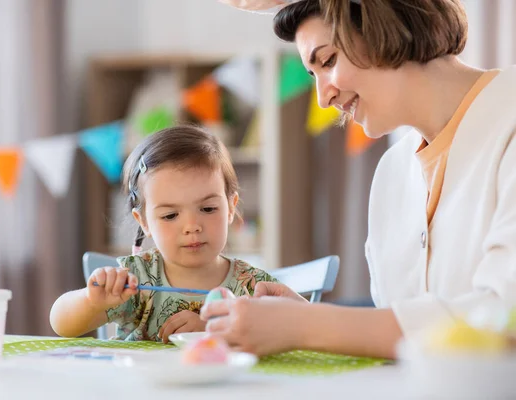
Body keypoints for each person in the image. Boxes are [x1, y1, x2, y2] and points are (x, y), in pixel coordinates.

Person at [201, 0, 516, 358]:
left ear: (385, 23)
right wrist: (305, 320)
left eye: (329, 61)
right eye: (312, 73)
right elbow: (400, 332)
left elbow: (503, 319)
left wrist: (306, 326)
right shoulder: (392, 174)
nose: (323, 98)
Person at [50, 126, 276, 342]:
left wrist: (214, 331)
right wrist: (91, 301)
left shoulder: (252, 286)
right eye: (170, 215)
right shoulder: (136, 279)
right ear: (145, 222)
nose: (192, 227)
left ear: (231, 208)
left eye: (208, 209)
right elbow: (60, 323)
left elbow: (291, 334)